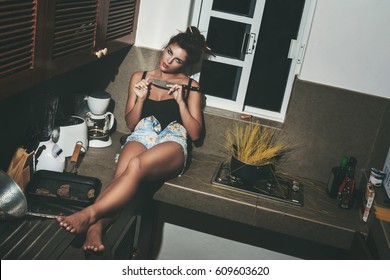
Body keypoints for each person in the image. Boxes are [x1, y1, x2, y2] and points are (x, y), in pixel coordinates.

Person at [56, 26, 212, 252]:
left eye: (177, 60)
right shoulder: (140, 77)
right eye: (169, 52)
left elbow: (196, 134)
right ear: (165, 48)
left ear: (185, 65)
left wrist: (181, 102)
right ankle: (95, 228)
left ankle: (89, 214)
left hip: (173, 138)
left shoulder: (191, 86)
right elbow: (130, 123)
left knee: (136, 165)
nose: (169, 61)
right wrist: (140, 98)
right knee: (121, 175)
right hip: (143, 132)